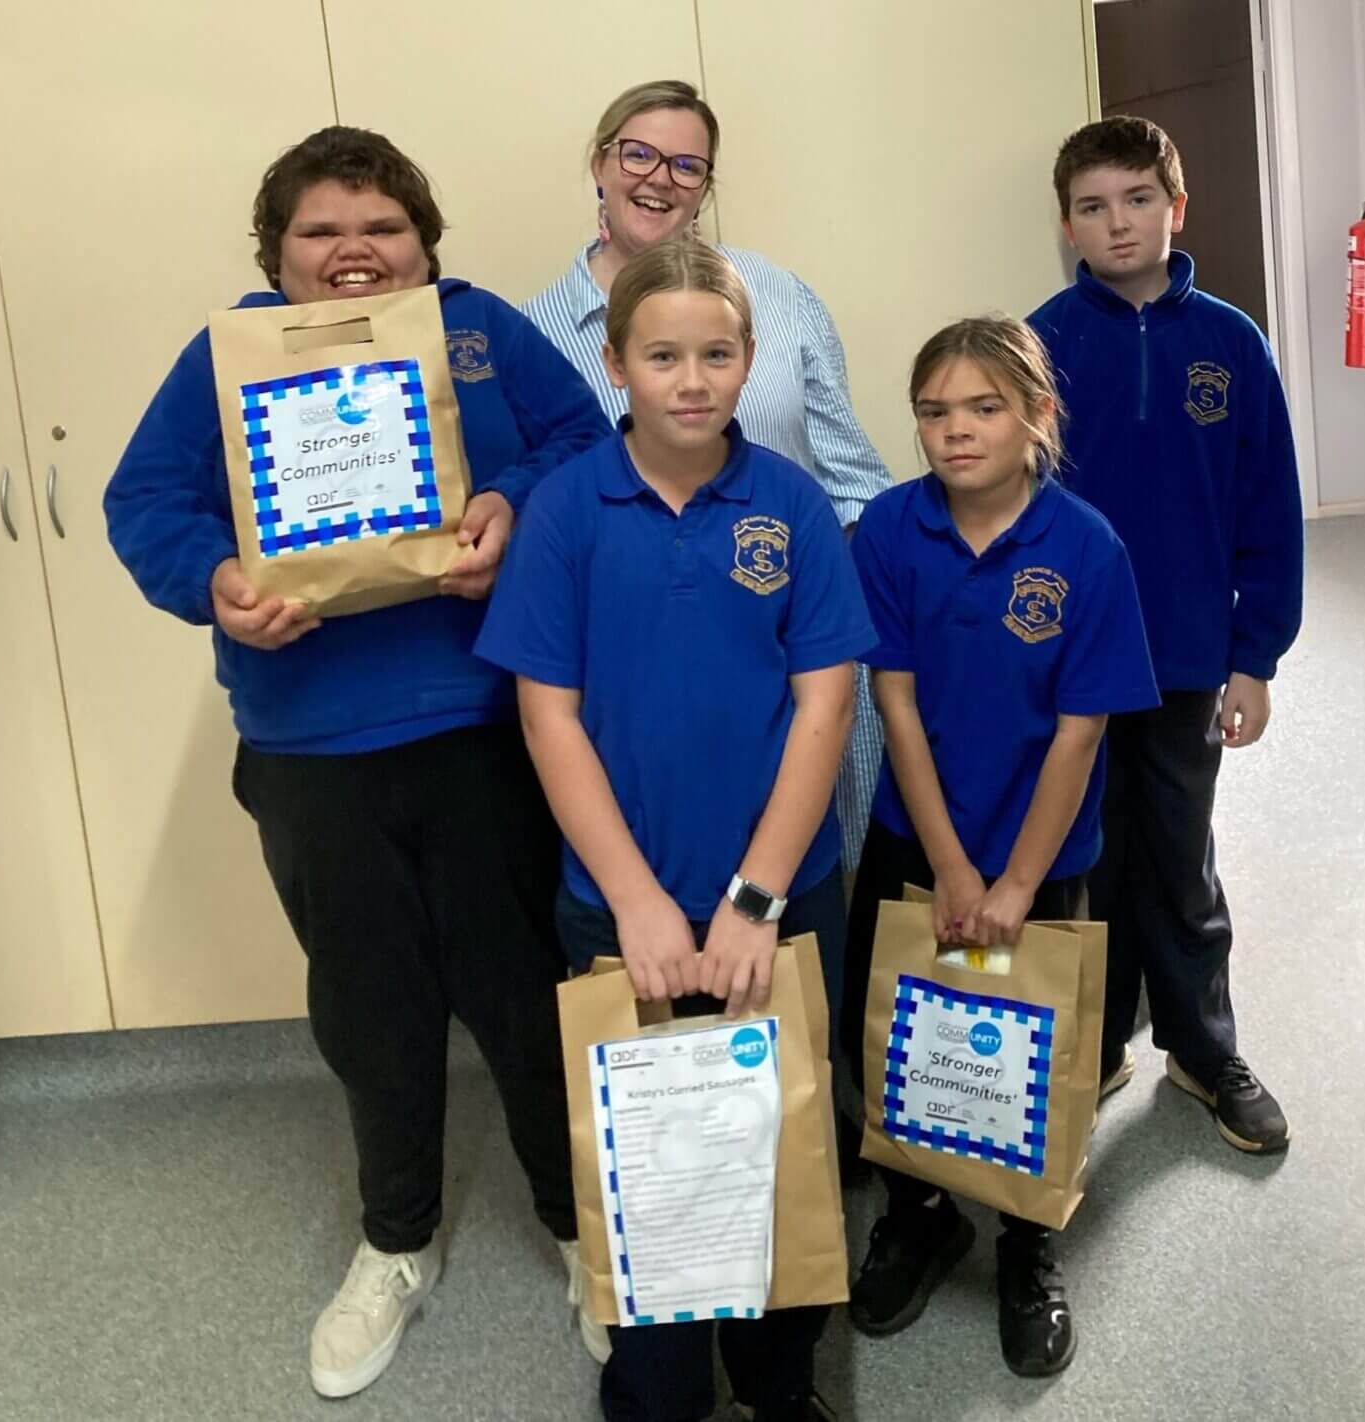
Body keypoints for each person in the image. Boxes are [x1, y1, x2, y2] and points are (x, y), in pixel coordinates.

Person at [103, 126, 612, 1398]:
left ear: (422, 244)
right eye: (321, 232)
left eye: (379, 228)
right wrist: (214, 581)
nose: (352, 252)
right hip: (312, 745)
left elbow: (583, 444)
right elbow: (145, 502)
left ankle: (578, 1222)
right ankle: (396, 1240)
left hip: (489, 726)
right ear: (276, 254)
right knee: (370, 1011)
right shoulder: (226, 354)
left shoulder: (480, 327)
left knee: (523, 994)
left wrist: (510, 504)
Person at [479, 238, 872, 1422]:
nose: (691, 380)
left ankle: (777, 1376)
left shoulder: (791, 504)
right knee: (652, 1156)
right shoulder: (564, 511)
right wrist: (640, 903)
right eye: (663, 356)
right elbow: (549, 721)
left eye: (716, 355)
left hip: (781, 898)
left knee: (779, 1142)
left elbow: (826, 701)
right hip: (621, 905)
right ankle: (657, 1379)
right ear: (615, 364)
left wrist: (753, 897)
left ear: (749, 362)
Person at [841, 316, 1158, 1375]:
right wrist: (952, 867)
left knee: (1036, 1053)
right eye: (934, 412)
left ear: (1037, 417)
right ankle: (920, 1212)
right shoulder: (888, 531)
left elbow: (1080, 731)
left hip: (1048, 854)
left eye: (984, 408)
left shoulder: (1085, 546)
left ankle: (1028, 1243)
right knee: (890, 1040)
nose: (956, 431)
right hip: (916, 839)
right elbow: (893, 700)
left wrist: (1017, 879)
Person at [523, 79, 891, 896]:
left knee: (806, 920)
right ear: (600, 162)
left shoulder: (782, 301)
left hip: (794, 662)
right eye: (639, 153)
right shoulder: (536, 337)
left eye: (688, 165)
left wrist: (833, 614)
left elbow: (856, 481)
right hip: (636, 683)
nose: (660, 178)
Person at [1027, 115, 1303, 1153]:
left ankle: (1199, 1048)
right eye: (1094, 208)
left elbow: (1267, 507)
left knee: (1179, 858)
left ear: (1175, 207)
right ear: (1068, 225)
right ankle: (1095, 1047)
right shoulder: (1042, 339)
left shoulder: (1232, 343)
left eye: (1138, 199)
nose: (1119, 222)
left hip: (1189, 655)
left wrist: (1255, 656)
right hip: (1075, 666)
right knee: (1084, 855)